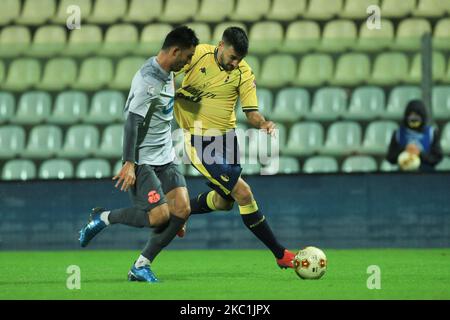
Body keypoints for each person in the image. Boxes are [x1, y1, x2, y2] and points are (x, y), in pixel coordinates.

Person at [78, 26, 199, 283]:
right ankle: (103, 217)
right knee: (160, 217)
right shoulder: (148, 81)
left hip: (165, 156)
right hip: (143, 160)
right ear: (175, 51)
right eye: (187, 57)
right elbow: (131, 121)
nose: (188, 62)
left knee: (183, 209)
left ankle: (141, 266)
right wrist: (129, 163)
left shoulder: (167, 72)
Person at [174, 26, 296, 269]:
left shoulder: (243, 72)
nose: (235, 63)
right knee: (243, 193)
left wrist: (262, 123)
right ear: (220, 46)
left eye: (240, 59)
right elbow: (170, 69)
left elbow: (251, 112)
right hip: (199, 139)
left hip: (228, 140)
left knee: (224, 202)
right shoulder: (197, 54)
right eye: (232, 57)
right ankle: (280, 254)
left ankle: (179, 210)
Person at [387, 99, 443, 171]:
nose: (414, 118)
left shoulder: (431, 133)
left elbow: (437, 158)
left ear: (422, 116)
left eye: (417, 115)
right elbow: (390, 158)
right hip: (403, 176)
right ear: (406, 116)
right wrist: (404, 150)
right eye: (411, 115)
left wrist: (419, 153)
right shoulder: (398, 133)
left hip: (427, 175)